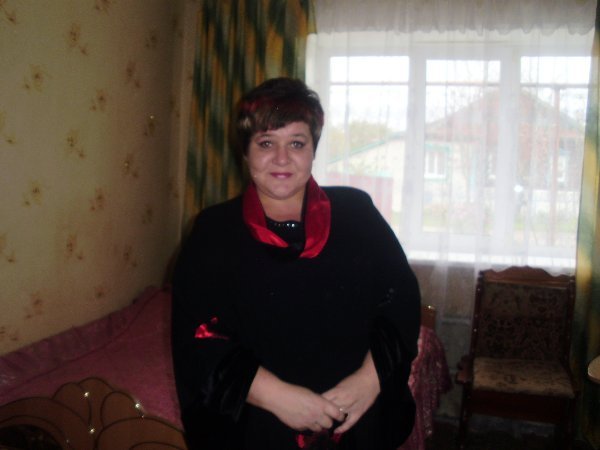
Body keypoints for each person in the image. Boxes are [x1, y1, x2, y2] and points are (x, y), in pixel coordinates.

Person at [171, 77, 421, 450]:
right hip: (256, 428)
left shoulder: (357, 213)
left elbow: (402, 302)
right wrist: (279, 398)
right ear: (245, 152)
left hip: (356, 421)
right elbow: (198, 337)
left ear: (313, 150)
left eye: (296, 143)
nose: (282, 158)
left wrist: (369, 382)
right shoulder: (213, 230)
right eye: (266, 143)